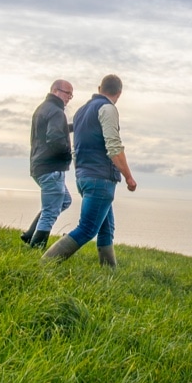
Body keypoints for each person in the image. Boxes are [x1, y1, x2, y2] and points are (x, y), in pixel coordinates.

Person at [42, 74, 136, 267]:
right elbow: (114, 148)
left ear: (99, 88)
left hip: (84, 176)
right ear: (119, 93)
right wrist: (129, 177)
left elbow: (77, 147)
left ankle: (109, 273)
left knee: (106, 228)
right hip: (100, 177)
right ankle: (44, 264)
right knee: (87, 228)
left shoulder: (81, 111)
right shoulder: (107, 108)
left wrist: (81, 172)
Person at [20, 79, 74, 249]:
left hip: (39, 166)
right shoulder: (57, 112)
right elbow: (56, 139)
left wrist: (74, 127)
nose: (69, 98)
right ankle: (36, 247)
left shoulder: (43, 109)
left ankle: (30, 234)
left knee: (64, 201)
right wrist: (69, 155)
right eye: (68, 93)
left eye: (71, 95)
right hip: (52, 168)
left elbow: (54, 130)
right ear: (56, 91)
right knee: (51, 211)